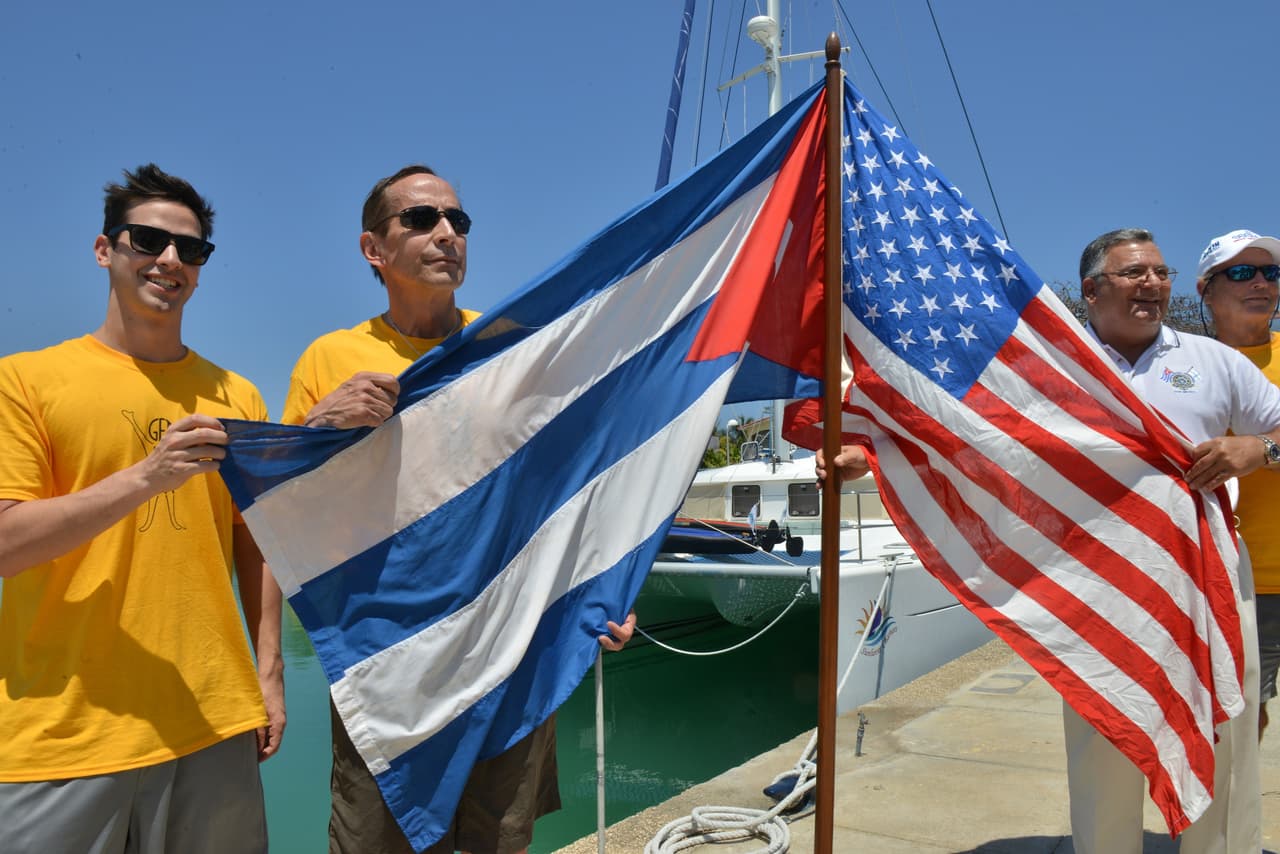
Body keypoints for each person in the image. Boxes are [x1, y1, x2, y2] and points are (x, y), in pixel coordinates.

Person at [284, 164, 635, 854]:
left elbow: (570, 481)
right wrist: (318, 428)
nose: (446, 232)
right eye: (420, 219)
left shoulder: (508, 349)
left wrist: (608, 587)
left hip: (505, 650)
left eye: (457, 220)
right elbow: (288, 518)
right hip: (387, 659)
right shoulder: (328, 359)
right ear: (373, 250)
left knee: (498, 843)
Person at [0, 164, 285, 854]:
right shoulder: (27, 379)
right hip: (64, 730)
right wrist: (146, 478)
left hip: (213, 718)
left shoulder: (237, 396)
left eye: (190, 250)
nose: (169, 261)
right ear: (105, 250)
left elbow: (259, 544)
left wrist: (269, 674)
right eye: (147, 240)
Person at [1063, 227, 1280, 854]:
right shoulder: (1058, 365)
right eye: (1135, 273)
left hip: (1207, 573)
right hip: (1099, 582)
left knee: (1224, 734)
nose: (1153, 285)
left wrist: (1257, 448)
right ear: (1091, 289)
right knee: (1106, 737)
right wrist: (868, 450)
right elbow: (976, 438)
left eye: (1162, 274)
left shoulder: (1216, 362)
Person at [1196, 229, 1280, 741]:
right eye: (1242, 272)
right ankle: (1231, 823)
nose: (1262, 284)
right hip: (1239, 584)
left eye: (1271, 273)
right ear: (1206, 289)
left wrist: (1262, 449)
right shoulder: (1178, 367)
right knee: (1244, 722)